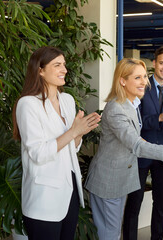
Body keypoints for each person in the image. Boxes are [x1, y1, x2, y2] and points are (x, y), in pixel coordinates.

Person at [84, 58, 163, 240]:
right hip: (108, 182)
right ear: (122, 81)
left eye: (144, 76)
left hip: (120, 180)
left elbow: (135, 137)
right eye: (137, 78)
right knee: (109, 234)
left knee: (112, 232)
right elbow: (137, 145)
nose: (144, 81)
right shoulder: (116, 108)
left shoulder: (132, 104)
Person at [12, 46, 101, 240]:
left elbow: (72, 147)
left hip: (70, 192)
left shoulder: (67, 100)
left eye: (64, 65)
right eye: (57, 65)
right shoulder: (28, 104)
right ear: (40, 70)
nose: (64, 70)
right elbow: (38, 154)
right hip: (43, 198)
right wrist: (73, 132)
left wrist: (79, 133)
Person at [123, 47, 163, 240]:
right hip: (141, 151)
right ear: (154, 64)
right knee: (134, 202)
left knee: (160, 205)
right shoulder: (141, 86)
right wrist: (159, 117)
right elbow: (136, 120)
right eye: (162, 63)